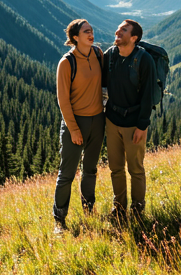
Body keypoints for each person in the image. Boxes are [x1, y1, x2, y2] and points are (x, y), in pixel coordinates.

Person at [53, 19, 105, 233]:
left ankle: (89, 210)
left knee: (90, 170)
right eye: (86, 31)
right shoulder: (67, 62)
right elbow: (63, 100)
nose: (91, 34)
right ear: (75, 37)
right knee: (67, 174)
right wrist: (73, 129)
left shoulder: (98, 54)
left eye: (91, 30)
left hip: (97, 120)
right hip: (76, 122)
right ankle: (59, 220)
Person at [103, 19, 157, 221]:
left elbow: (148, 95)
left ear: (134, 38)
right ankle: (119, 210)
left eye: (123, 30)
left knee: (135, 169)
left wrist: (142, 125)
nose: (118, 31)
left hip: (134, 123)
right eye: (119, 28)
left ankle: (137, 211)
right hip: (112, 121)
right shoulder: (110, 55)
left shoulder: (144, 60)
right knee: (115, 168)